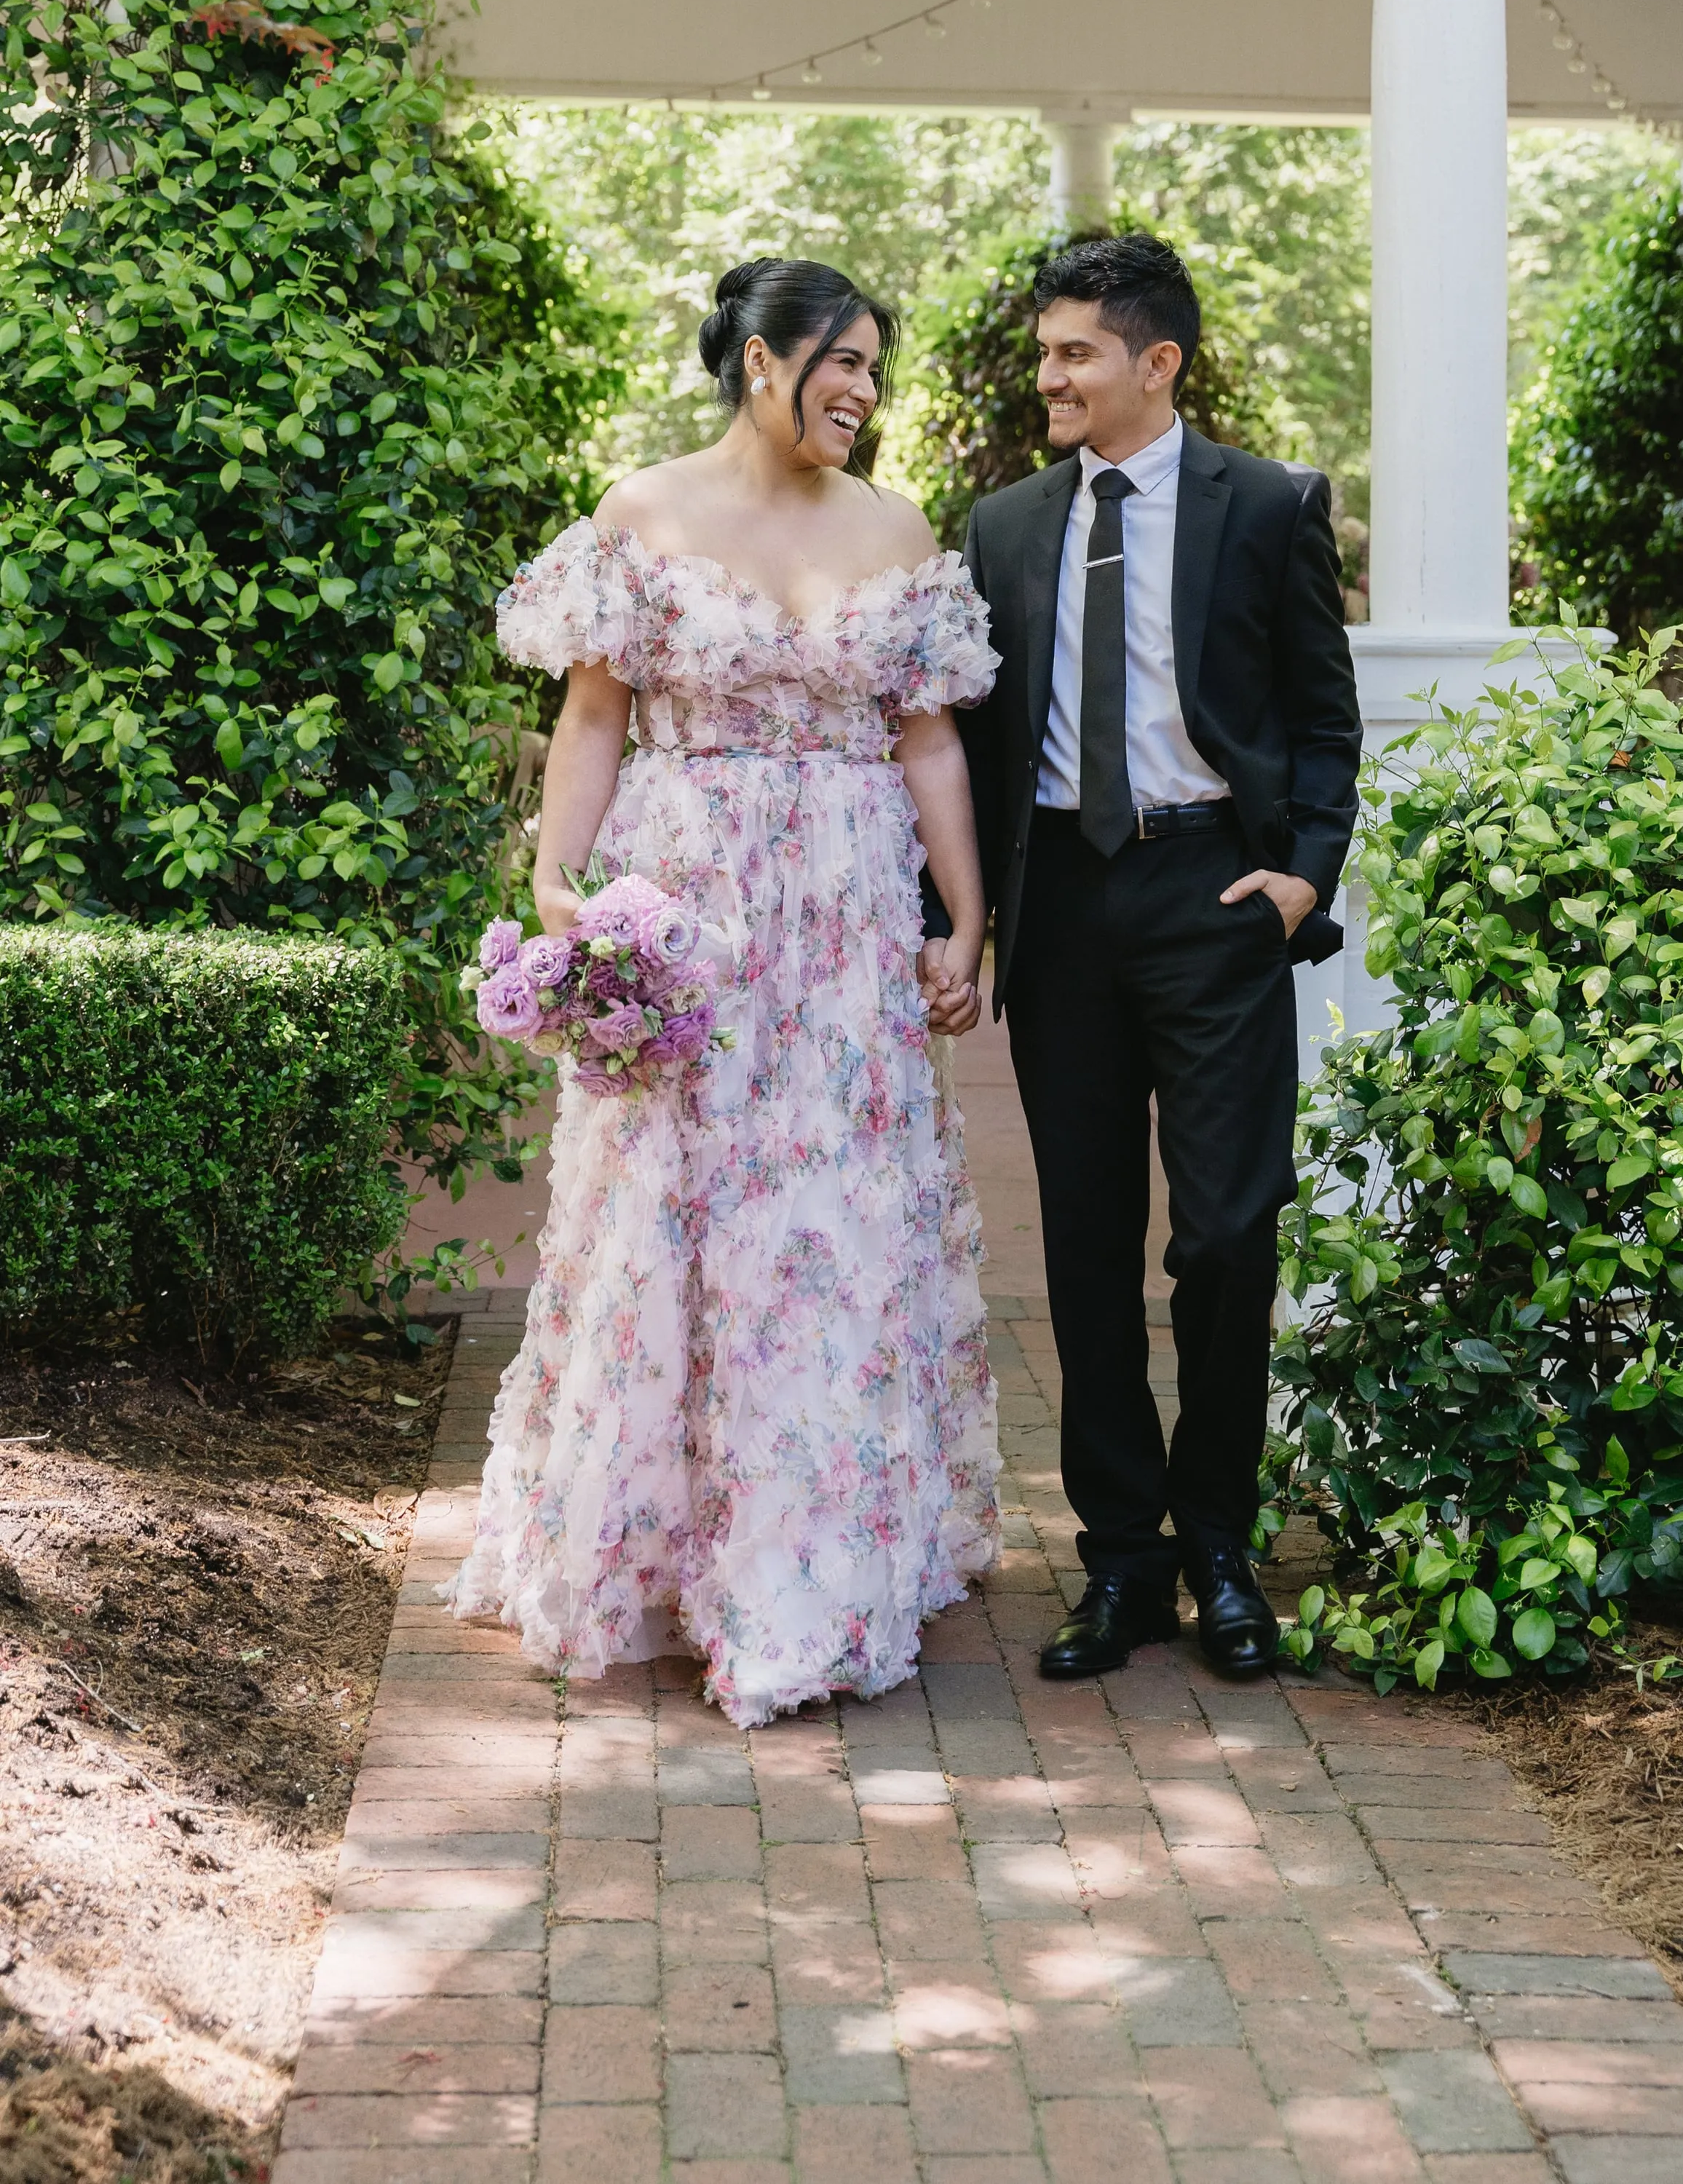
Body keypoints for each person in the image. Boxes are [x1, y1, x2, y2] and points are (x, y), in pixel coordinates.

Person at [446, 258, 1001, 1729]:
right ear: (763, 361)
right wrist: (557, 877)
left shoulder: (896, 527)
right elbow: (593, 716)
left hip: (846, 929)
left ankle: (810, 1566)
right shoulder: (642, 512)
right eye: (844, 363)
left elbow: (929, 741)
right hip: (693, 908)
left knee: (827, 1226)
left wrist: (964, 916)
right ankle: (658, 1550)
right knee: (675, 1209)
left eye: (874, 369)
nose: (864, 391)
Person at [958, 232, 1361, 1682]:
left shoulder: (1268, 506)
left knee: (1227, 1236)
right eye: (1046, 352)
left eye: (1075, 352)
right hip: (1062, 907)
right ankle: (1121, 1560)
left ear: (1158, 361)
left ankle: (1220, 1547)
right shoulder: (1003, 525)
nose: (1049, 377)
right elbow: (970, 742)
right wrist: (960, 918)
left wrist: (1301, 877)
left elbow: (1322, 715)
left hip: (1214, 895)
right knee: (1083, 1243)